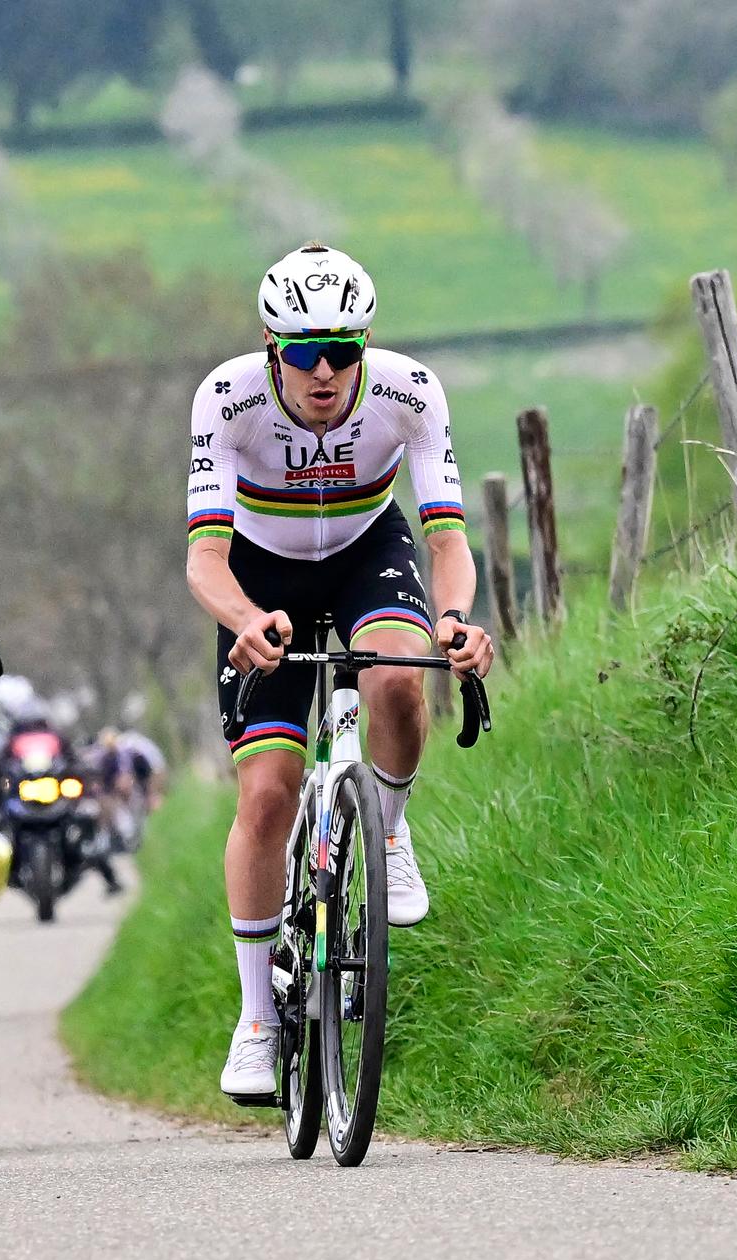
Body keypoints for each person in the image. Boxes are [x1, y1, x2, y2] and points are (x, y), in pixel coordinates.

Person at [186, 243, 494, 1097]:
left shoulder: (409, 393)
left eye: (343, 352)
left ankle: (387, 827)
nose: (324, 373)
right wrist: (246, 622)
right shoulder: (226, 399)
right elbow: (204, 560)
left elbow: (445, 539)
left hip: (367, 550)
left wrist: (457, 621)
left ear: (367, 344)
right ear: (268, 346)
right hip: (263, 574)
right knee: (268, 794)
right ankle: (254, 1019)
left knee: (398, 676)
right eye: (301, 353)